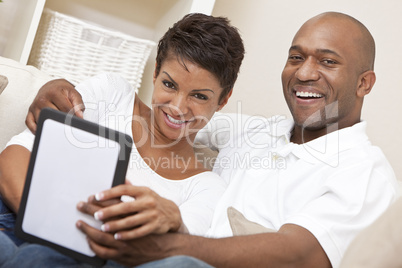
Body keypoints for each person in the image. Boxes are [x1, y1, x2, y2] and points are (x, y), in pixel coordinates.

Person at [1, 11, 399, 268]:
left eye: (328, 61)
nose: (305, 73)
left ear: (365, 82)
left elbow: (299, 254)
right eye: (296, 57)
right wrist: (51, 86)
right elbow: (177, 123)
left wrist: (168, 245)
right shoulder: (258, 133)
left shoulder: (366, 173)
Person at [0, 12, 244, 257]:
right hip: (12, 218)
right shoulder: (113, 95)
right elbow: (13, 158)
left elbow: (174, 255)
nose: (178, 108)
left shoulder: (207, 187)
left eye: (199, 96)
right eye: (169, 85)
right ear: (156, 71)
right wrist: (55, 227)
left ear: (223, 99)